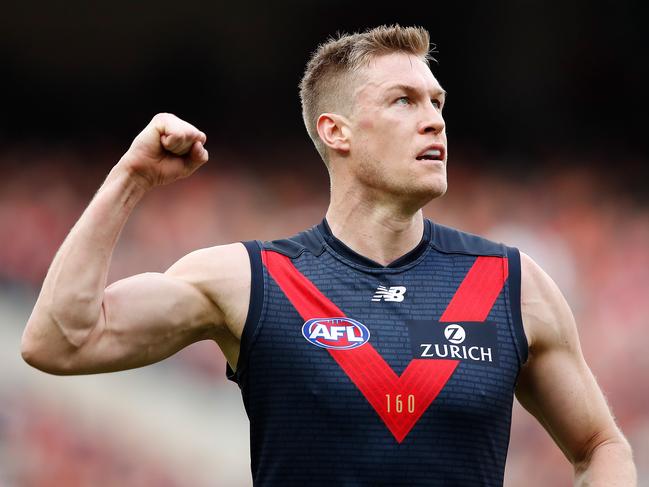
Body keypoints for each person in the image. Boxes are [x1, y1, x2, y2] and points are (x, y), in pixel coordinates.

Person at [21, 25, 636, 486]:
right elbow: (60, 341)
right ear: (335, 130)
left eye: (437, 103)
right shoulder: (250, 279)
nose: (434, 122)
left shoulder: (511, 283)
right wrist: (130, 177)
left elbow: (600, 444)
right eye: (404, 101)